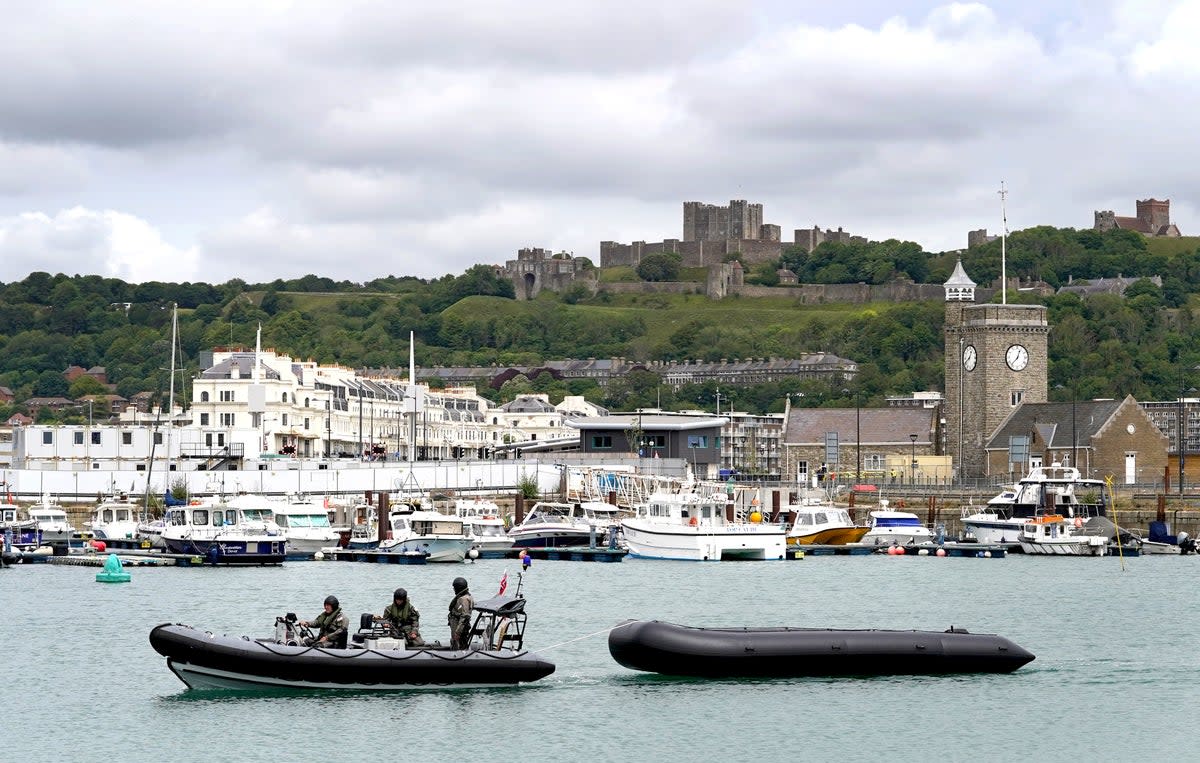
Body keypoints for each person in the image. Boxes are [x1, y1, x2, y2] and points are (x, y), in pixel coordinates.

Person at [447, 577, 474, 649]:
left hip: (459, 628)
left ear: (458, 588)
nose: (454, 589)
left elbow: (465, 617)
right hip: (457, 626)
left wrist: (458, 632)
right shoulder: (466, 596)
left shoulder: (464, 599)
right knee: (455, 643)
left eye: (455, 587)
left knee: (459, 645)